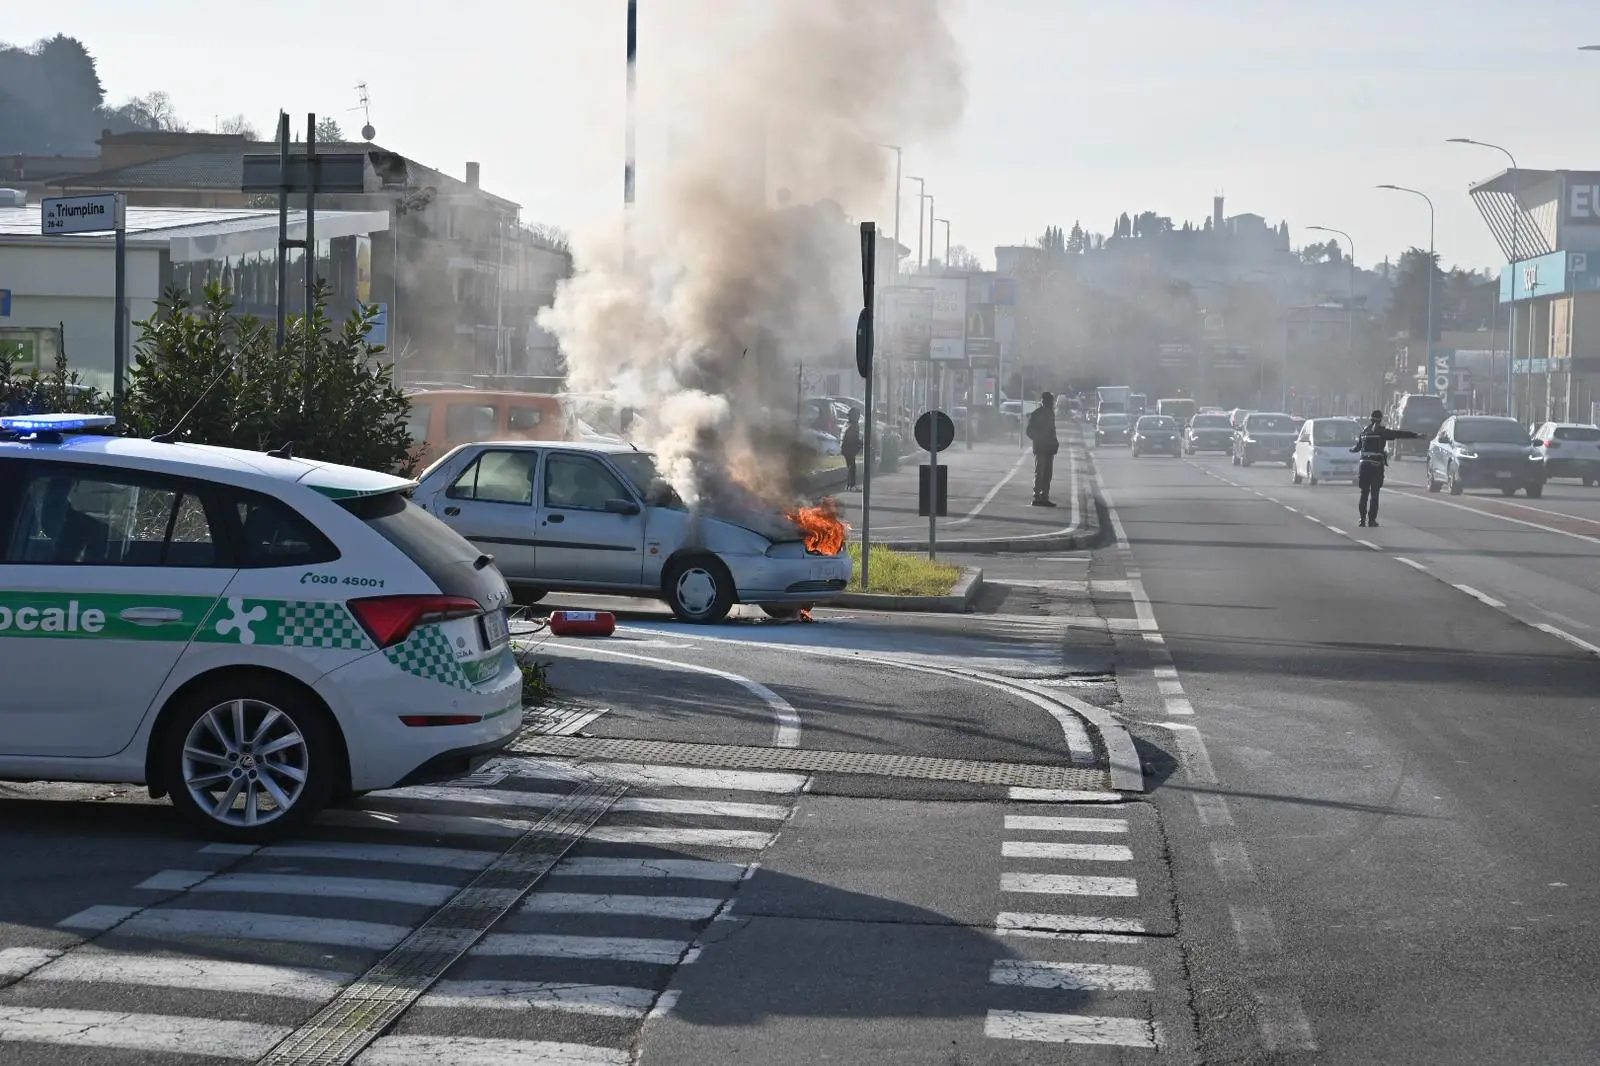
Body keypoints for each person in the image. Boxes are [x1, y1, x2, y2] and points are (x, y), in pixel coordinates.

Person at [1350, 409, 1420, 527]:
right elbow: (1399, 434)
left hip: (1364, 465)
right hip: (1376, 465)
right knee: (1374, 494)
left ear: (1370, 419)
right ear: (1381, 419)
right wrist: (1416, 435)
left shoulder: (1364, 432)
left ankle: (1362, 520)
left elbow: (1357, 448)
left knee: (1364, 493)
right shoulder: (1382, 432)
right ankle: (1371, 520)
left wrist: (1352, 450)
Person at [1026, 392, 1059, 507]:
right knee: (1039, 472)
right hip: (1040, 448)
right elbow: (1029, 431)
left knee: (1048, 473)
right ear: (1044, 401)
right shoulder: (1036, 414)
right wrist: (1039, 438)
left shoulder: (1051, 414)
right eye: (1050, 401)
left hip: (1049, 447)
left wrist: (1055, 442)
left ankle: (1045, 495)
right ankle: (1037, 495)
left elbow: (1052, 430)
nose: (1052, 404)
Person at [840, 409, 862, 491]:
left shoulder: (846, 424)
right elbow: (854, 438)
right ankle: (851, 485)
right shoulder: (854, 425)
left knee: (850, 466)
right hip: (849, 449)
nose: (859, 417)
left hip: (845, 448)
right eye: (858, 416)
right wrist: (862, 444)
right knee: (852, 467)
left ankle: (849, 485)